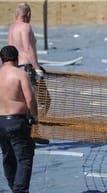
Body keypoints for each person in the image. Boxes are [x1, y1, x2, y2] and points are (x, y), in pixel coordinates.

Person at [0, 45, 38, 193]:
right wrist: (35, 116)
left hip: (0, 121)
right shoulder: (20, 74)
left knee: (8, 156)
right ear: (16, 59)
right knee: (24, 158)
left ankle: (15, 188)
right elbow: (30, 99)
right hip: (17, 121)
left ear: (1, 60)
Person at [8, 2, 50, 144]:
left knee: (23, 102)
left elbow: (11, 50)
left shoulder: (12, 28)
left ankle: (28, 132)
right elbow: (27, 49)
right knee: (40, 101)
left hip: (16, 67)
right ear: (29, 14)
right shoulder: (26, 27)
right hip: (27, 67)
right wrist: (37, 67)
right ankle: (34, 132)